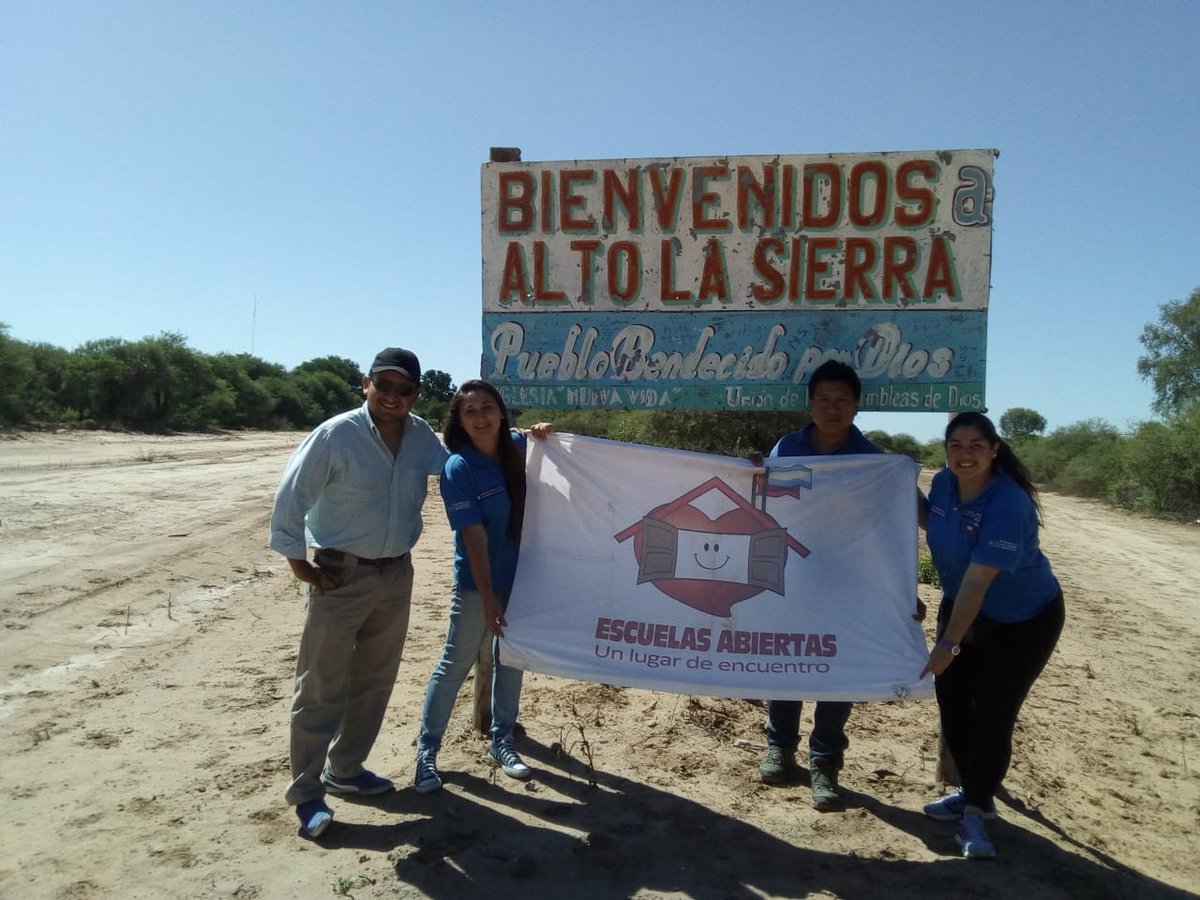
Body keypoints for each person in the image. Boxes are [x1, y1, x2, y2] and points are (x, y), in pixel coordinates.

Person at [269, 347, 448, 838]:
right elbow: (291, 497)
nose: (392, 396)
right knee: (321, 685)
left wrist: (522, 441)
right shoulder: (336, 434)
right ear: (365, 383)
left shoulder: (420, 437)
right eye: (383, 384)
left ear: (416, 393)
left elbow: (460, 461)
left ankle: (345, 769)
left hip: (396, 575)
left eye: (404, 388)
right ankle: (306, 795)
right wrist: (299, 565)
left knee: (375, 679)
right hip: (339, 575)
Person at [919, 411, 1065, 860]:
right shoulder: (944, 482)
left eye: (976, 446)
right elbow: (931, 520)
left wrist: (947, 646)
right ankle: (970, 791)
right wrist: (884, 480)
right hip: (963, 605)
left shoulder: (1008, 502)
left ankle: (977, 814)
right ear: (946, 451)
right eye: (956, 446)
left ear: (994, 449)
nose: (965, 455)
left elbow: (979, 582)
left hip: (1024, 619)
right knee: (953, 703)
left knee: (993, 713)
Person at [413, 380, 551, 793]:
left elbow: (556, 457)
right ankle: (427, 752)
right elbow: (473, 538)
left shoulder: (518, 447)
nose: (479, 417)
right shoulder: (459, 467)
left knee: (509, 660)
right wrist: (489, 599)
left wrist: (545, 432)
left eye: (487, 407)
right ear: (458, 419)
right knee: (454, 663)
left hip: (521, 579)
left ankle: (502, 741)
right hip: (478, 584)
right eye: (469, 411)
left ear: (502, 411)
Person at [757, 359, 883, 811]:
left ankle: (825, 766)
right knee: (784, 661)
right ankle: (780, 749)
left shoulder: (874, 461)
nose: (832, 408)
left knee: (837, 671)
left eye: (842, 400)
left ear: (857, 405)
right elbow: (764, 503)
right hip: (793, 575)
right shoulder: (787, 447)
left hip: (850, 583)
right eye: (823, 400)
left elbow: (894, 527)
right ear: (810, 404)